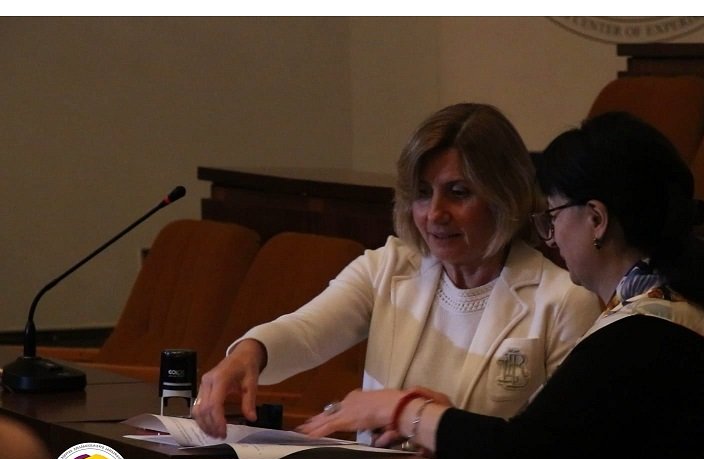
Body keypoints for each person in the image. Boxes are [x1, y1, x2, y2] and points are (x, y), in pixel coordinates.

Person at [295, 112, 704, 459]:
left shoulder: (645, 335)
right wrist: (441, 421)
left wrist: (403, 411)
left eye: (554, 215)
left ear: (597, 219)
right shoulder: (652, 314)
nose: (551, 236)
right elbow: (556, 443)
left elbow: (523, 455)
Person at [193, 103, 601, 440]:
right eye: (422, 194)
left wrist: (435, 426)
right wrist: (250, 352)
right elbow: (306, 333)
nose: (435, 214)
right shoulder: (387, 267)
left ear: (505, 197)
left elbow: (548, 447)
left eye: (458, 193)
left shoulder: (564, 301)